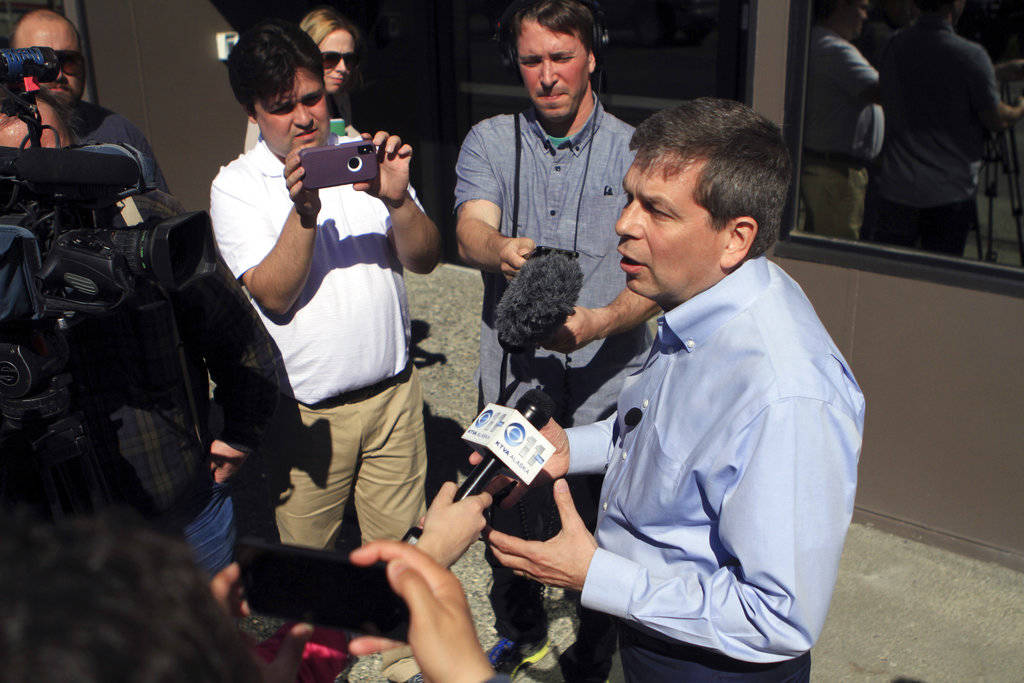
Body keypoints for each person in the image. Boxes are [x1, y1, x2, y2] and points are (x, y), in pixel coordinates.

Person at [484, 98, 866, 681]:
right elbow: (664, 438)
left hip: (712, 664)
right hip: (649, 631)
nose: (624, 223)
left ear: (736, 238)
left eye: (656, 211)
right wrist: (572, 450)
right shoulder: (701, 302)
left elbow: (777, 619)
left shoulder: (787, 396)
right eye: (629, 196)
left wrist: (595, 575)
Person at [453, 1, 657, 678]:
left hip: (606, 394)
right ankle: (523, 635)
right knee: (506, 534)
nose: (547, 76)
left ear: (591, 55)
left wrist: (597, 322)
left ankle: (592, 660)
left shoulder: (636, 152)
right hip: (514, 392)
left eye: (561, 57)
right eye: (532, 60)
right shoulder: (490, 139)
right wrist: (499, 249)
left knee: (601, 544)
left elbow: (655, 282)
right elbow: (469, 228)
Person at [0, 91, 279, 575]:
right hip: (46, 538)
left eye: (50, 157)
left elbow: (237, 333)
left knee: (207, 646)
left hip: (180, 513)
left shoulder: (142, 222)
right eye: (15, 172)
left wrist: (240, 433)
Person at [211, 20, 440, 552]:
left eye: (312, 98)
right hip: (306, 415)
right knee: (312, 576)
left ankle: (399, 639)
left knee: (404, 569)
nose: (304, 117)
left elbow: (425, 258)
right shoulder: (237, 186)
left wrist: (398, 200)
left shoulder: (362, 152)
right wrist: (304, 213)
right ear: (252, 112)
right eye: (281, 106)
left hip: (394, 400)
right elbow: (273, 295)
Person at [870, 0, 1024, 256]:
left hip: (897, 189)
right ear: (956, 5)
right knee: (941, 278)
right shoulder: (971, 55)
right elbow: (997, 118)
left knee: (892, 272)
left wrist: (993, 72)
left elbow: (917, 83)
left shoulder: (894, 45)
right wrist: (1020, 107)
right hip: (949, 195)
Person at [9, 8, 170, 193]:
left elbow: (160, 212)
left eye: (68, 61)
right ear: (13, 66)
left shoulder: (120, 133)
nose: (59, 74)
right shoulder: (5, 134)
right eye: (42, 64)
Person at [801, 0, 883, 240]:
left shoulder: (827, 44)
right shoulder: (833, 48)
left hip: (835, 170)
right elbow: (882, 91)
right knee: (835, 250)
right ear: (840, 5)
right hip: (836, 174)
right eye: (862, 7)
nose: (866, 16)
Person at [244, 7, 363, 151]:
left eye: (350, 59)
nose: (342, 68)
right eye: (330, 59)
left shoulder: (340, 97)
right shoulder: (269, 107)